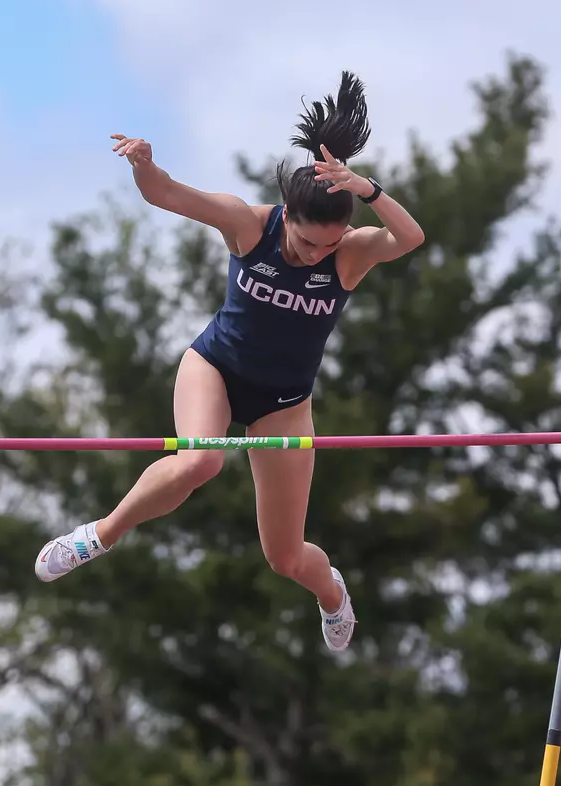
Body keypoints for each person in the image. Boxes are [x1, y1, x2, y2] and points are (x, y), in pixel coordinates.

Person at [34, 71, 425, 652]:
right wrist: (143, 164)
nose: (314, 254)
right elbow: (167, 194)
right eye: (306, 241)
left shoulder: (348, 255)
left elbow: (411, 238)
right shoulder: (249, 224)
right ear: (286, 215)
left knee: (285, 557)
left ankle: (333, 596)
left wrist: (367, 190)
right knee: (200, 462)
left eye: (327, 243)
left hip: (283, 401)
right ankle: (99, 536)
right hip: (214, 368)